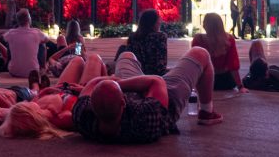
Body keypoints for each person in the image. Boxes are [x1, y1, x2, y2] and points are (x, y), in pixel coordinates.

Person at [72, 47, 223, 144]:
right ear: (123, 102)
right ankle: (206, 112)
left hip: (136, 88)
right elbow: (156, 82)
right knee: (201, 53)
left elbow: (91, 85)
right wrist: (119, 83)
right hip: (164, 96)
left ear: (92, 105)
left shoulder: (83, 117)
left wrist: (115, 84)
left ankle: (133, 78)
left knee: (126, 55)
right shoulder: (144, 121)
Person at [0, 53, 109, 138]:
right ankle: (110, 82)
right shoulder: (60, 119)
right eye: (26, 105)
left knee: (78, 59)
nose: (26, 102)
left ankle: (106, 75)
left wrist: (45, 91)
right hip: (81, 93)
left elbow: (37, 99)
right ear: (32, 115)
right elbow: (85, 110)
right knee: (94, 58)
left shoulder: (39, 110)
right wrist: (84, 90)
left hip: (62, 90)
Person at [191, 12, 246, 92]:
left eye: (204, 22)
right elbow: (233, 65)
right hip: (226, 82)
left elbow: (194, 64)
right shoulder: (228, 40)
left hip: (205, 81)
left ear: (206, 25)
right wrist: (240, 87)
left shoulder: (198, 40)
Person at [3, 9, 48, 77]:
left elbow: (3, 38)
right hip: (33, 72)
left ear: (18, 21)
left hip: (14, 72)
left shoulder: (11, 33)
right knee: (42, 45)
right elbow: (46, 39)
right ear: (29, 19)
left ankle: (13, 65)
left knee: (10, 43)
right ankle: (43, 68)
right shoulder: (36, 32)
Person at [126, 9, 168, 76]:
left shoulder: (133, 36)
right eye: (159, 20)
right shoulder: (159, 37)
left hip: (134, 75)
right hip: (154, 77)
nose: (160, 22)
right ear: (154, 22)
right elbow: (160, 65)